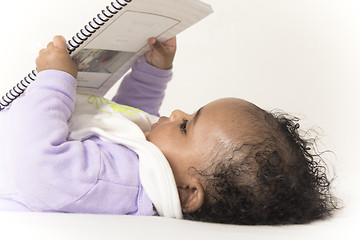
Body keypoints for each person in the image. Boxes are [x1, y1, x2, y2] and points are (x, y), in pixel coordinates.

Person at [0, 35, 338, 225]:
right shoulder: (148, 172)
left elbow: (37, 164)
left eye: (186, 126)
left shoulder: (119, 180)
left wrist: (54, 82)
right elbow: (131, 121)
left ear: (188, 193)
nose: (175, 112)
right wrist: (152, 72)